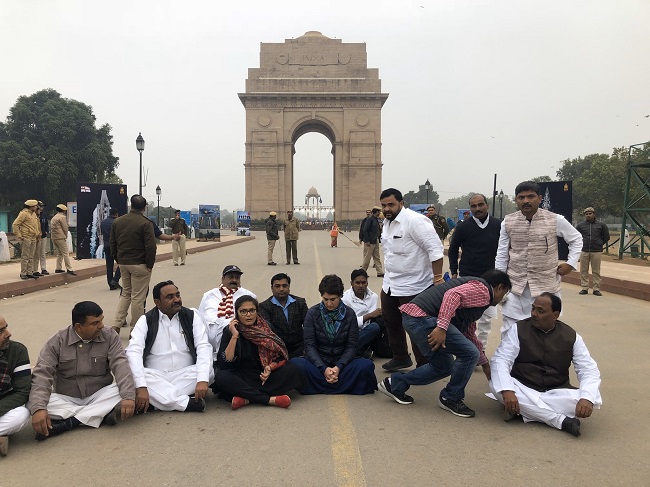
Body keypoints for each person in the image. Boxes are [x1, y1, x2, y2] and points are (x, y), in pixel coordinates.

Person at [377, 270, 511, 418]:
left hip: (415, 318)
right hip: (423, 319)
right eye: (504, 293)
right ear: (499, 287)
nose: (502, 298)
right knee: (469, 354)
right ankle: (451, 398)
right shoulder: (484, 291)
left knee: (444, 366)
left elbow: (469, 334)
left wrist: (485, 364)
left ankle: (395, 384)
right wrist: (441, 327)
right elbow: (452, 295)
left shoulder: (477, 296)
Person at [489, 293, 602, 437]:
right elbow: (501, 360)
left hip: (556, 391)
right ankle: (560, 420)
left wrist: (586, 398)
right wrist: (507, 390)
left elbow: (588, 369)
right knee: (497, 386)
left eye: (540, 311)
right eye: (533, 309)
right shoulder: (518, 329)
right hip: (523, 387)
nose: (534, 314)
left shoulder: (571, 336)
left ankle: (522, 411)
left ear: (555, 315)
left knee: (591, 397)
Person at [29, 301, 135, 440]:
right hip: (67, 398)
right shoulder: (57, 341)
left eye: (101, 320)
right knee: (31, 402)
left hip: (100, 394)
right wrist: (39, 409)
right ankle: (99, 415)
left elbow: (120, 364)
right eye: (95, 323)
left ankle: (70, 422)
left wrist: (127, 397)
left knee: (127, 388)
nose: (101, 326)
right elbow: (42, 374)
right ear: (78, 327)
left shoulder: (109, 335)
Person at [495, 181, 582, 334]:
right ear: (516, 200)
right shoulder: (508, 222)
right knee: (511, 331)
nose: (526, 201)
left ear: (539, 198)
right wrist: (497, 283)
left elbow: (576, 239)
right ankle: (509, 359)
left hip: (546, 288)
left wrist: (571, 263)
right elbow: (502, 254)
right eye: (521, 197)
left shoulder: (555, 220)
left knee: (546, 332)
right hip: (516, 288)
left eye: (531, 196)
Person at [379, 188, 444, 372]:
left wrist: (438, 278)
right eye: (384, 205)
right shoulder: (387, 223)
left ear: (401, 203)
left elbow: (435, 250)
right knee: (391, 322)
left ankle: (425, 364)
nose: (387, 209)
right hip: (391, 284)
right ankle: (400, 357)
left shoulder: (415, 221)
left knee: (416, 328)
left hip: (415, 286)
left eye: (391, 204)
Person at [126, 281, 213, 413]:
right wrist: (142, 386)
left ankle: (155, 402)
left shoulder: (191, 316)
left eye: (177, 295)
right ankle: (184, 403)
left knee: (209, 372)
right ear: (157, 302)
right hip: (155, 375)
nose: (176, 299)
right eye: (170, 297)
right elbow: (134, 352)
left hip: (186, 374)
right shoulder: (146, 320)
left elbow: (203, 346)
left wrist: (201, 380)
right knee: (134, 375)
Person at [290, 275, 377, 395]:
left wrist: (338, 367)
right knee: (295, 364)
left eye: (333, 299)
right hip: (319, 364)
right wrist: (324, 369)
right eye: (325, 299)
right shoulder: (312, 313)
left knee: (366, 365)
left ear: (340, 296)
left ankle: (321, 385)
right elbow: (309, 346)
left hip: (342, 364)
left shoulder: (349, 314)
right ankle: (341, 385)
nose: (329, 303)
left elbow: (352, 346)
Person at [214, 295, 302, 410]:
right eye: (243, 312)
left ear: (257, 311)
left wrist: (270, 367)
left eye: (252, 310)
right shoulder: (230, 331)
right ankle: (269, 399)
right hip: (242, 375)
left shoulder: (267, 328)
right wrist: (235, 336)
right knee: (222, 377)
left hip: (263, 375)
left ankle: (247, 398)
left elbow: (279, 356)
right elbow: (225, 363)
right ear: (237, 313)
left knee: (292, 370)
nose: (248, 315)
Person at [448, 194, 502, 350]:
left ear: (487, 205)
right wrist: (454, 272)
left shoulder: (499, 225)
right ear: (470, 208)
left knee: (486, 318)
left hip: (492, 278)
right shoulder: (463, 227)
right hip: (468, 277)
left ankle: (480, 350)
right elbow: (453, 250)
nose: (477, 209)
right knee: (467, 317)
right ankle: (466, 349)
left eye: (480, 205)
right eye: (473, 206)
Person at [110, 195, 157, 332]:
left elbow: (113, 243)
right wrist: (150, 264)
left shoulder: (118, 221)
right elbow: (151, 247)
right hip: (140, 263)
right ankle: (135, 329)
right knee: (138, 297)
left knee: (126, 294)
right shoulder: (145, 223)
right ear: (144, 207)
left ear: (131, 205)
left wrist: (117, 259)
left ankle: (116, 324)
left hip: (123, 262)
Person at [198, 265, 257, 361]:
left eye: (237, 277)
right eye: (230, 277)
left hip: (236, 340)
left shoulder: (248, 296)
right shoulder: (209, 295)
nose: (234, 280)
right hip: (210, 342)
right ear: (222, 279)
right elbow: (200, 319)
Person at [0, 316, 31, 456]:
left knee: (21, 414)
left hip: (3, 407)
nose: (8, 334)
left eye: (6, 327)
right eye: (1, 331)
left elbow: (22, 392)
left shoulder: (17, 351)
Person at [258, 273, 309, 358]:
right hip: (277, 350)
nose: (281, 289)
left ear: (289, 287)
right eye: (277, 286)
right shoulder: (264, 307)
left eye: (284, 286)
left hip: (300, 347)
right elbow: (267, 333)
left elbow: (308, 327)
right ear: (272, 288)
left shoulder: (300, 303)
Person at [341, 269, 382, 357]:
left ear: (367, 283)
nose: (361, 286)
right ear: (351, 283)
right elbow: (347, 322)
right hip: (351, 333)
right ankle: (351, 351)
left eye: (363, 283)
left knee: (380, 323)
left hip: (368, 332)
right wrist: (369, 315)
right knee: (374, 327)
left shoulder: (373, 297)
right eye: (357, 283)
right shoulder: (345, 299)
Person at [576, 207, 610, 296]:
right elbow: (576, 236)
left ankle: (596, 289)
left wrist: (599, 244)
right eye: (586, 214)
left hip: (596, 251)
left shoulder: (601, 225)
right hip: (584, 250)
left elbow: (606, 237)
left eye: (590, 213)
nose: (588, 215)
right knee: (583, 270)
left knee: (596, 270)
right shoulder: (580, 225)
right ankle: (584, 288)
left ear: (594, 214)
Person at [12, 199, 40, 280]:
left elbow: (36, 225)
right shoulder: (23, 214)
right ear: (30, 206)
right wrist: (19, 235)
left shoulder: (34, 214)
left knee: (31, 256)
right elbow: (15, 224)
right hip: (26, 237)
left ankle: (29, 272)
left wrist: (37, 234)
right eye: (35, 206)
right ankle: (23, 272)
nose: (36, 207)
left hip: (33, 237)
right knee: (25, 256)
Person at [100, 208, 121, 290]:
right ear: (116, 214)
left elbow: (102, 233)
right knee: (122, 263)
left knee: (109, 265)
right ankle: (115, 279)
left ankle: (111, 284)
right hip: (116, 245)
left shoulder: (103, 222)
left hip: (106, 244)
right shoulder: (118, 222)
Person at [360, 207, 384, 277]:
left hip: (375, 240)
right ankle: (363, 272)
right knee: (367, 258)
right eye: (379, 212)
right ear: (376, 212)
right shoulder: (370, 219)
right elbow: (365, 230)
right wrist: (367, 240)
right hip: (370, 241)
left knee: (377, 257)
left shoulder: (375, 219)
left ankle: (380, 272)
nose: (380, 213)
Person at [32, 201, 50, 276]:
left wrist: (46, 231)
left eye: (42, 206)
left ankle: (43, 268)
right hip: (35, 236)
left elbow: (46, 224)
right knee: (35, 253)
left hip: (43, 236)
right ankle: (34, 269)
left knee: (42, 253)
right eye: (40, 206)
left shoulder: (44, 215)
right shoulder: (33, 215)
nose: (42, 208)